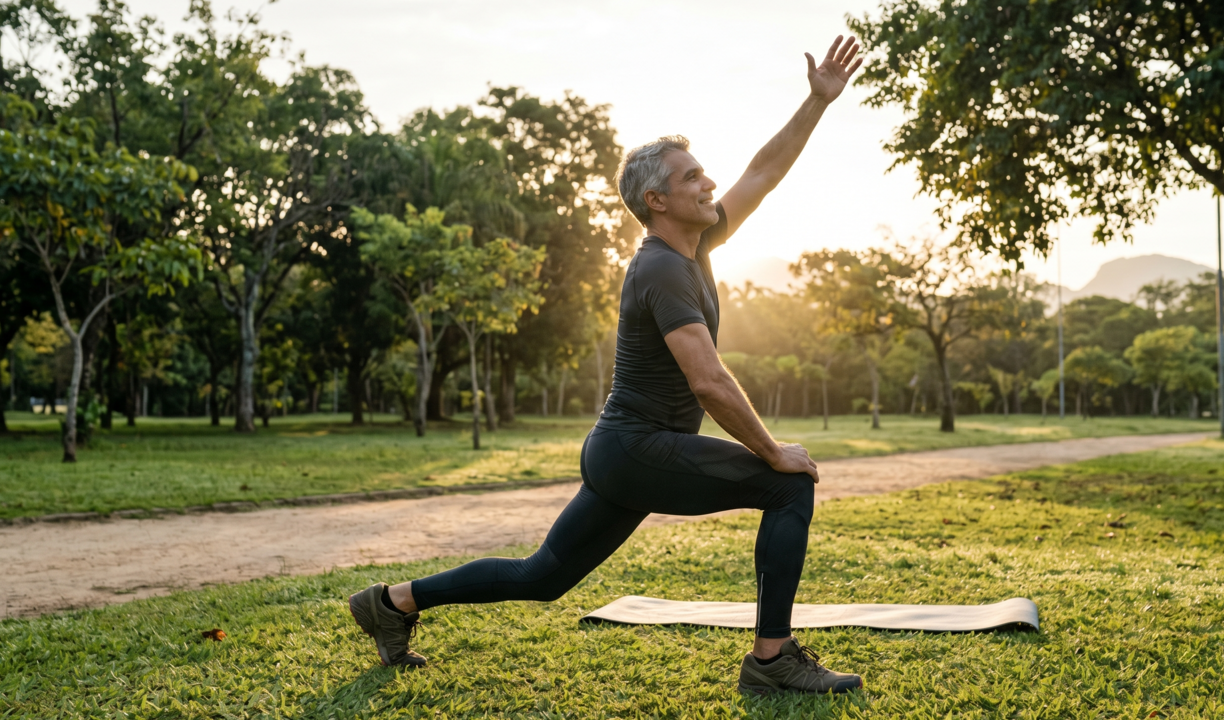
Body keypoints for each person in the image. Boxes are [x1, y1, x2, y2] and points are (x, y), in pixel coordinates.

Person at [349, 34, 864, 695]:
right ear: (656, 201)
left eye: (704, 173)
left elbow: (762, 172)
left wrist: (816, 102)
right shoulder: (661, 269)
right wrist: (772, 451)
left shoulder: (696, 246)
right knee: (788, 486)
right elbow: (709, 381)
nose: (709, 183)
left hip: (622, 451)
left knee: (542, 576)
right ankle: (771, 662)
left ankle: (390, 603)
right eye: (691, 177)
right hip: (638, 448)